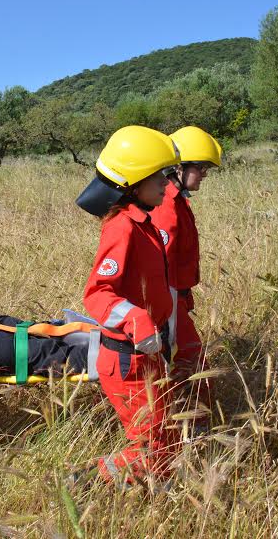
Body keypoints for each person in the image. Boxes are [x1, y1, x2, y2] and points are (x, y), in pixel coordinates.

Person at [76, 125, 181, 485]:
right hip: (127, 361)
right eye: (160, 178)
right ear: (133, 183)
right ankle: (83, 483)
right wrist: (136, 318)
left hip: (148, 354)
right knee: (153, 449)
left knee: (165, 444)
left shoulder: (145, 224)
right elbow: (97, 292)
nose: (167, 186)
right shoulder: (122, 227)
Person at [151, 126, 222, 428]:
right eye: (201, 166)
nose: (205, 173)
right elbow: (159, 265)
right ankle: (197, 428)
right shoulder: (167, 206)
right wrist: (169, 315)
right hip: (168, 301)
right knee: (192, 361)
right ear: (178, 166)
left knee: (185, 362)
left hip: (177, 297)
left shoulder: (177, 201)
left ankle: (186, 424)